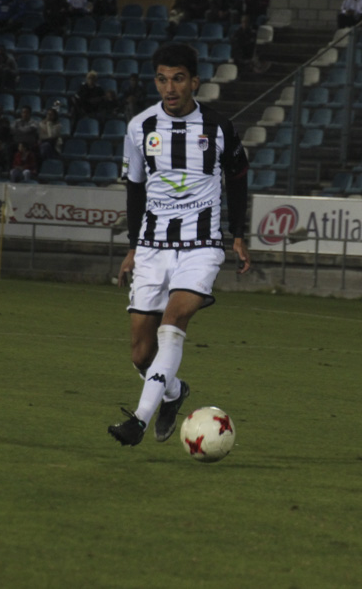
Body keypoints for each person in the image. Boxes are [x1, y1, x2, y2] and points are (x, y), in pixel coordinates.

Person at [107, 42, 252, 447]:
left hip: (202, 244)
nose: (169, 88)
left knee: (173, 326)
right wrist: (134, 247)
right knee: (140, 353)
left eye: (178, 79)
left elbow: (237, 178)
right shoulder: (140, 127)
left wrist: (238, 235)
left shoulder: (219, 127)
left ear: (195, 82)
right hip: (153, 245)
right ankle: (173, 392)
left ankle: (138, 418)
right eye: (162, 79)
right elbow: (135, 189)